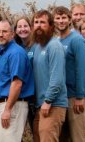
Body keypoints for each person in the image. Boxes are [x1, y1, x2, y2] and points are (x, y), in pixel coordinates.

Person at [0, 20, 34, 142]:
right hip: (1, 104)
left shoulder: (16, 53)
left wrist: (8, 110)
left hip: (13, 104)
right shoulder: (0, 52)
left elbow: (17, 83)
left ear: (12, 34)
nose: (1, 34)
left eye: (4, 31)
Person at [53, 6, 85, 142]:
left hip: (76, 96)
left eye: (64, 18)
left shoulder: (77, 40)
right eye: (58, 18)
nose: (61, 21)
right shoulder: (57, 41)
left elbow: (82, 69)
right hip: (63, 96)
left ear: (69, 20)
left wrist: (80, 96)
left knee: (79, 136)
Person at [32, 10, 67, 142]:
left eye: (42, 22)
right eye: (36, 22)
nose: (39, 25)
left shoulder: (54, 46)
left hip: (53, 105)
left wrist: (48, 101)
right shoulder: (37, 46)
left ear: (51, 26)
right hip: (40, 105)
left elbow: (57, 78)